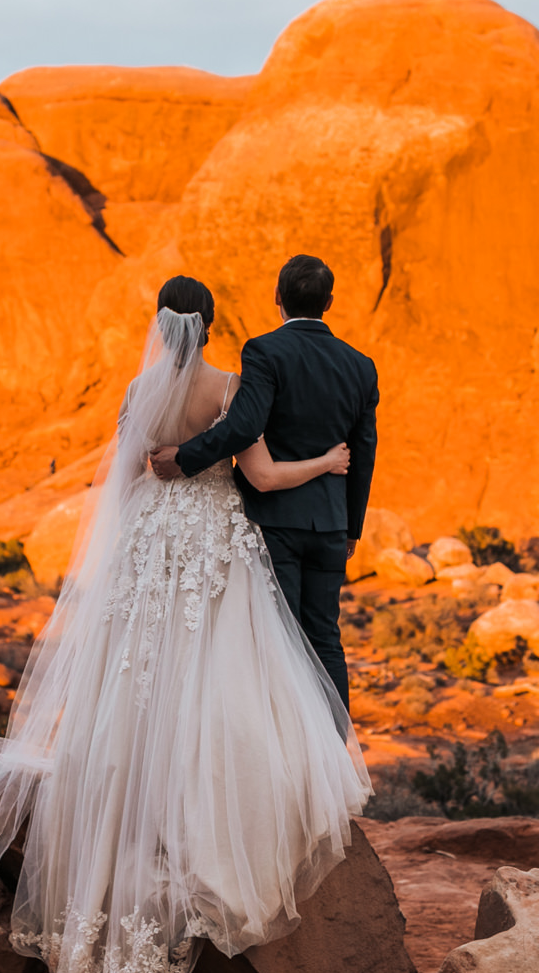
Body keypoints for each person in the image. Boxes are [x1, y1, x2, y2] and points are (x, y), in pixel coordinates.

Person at [0, 275, 370, 973]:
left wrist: (144, 527)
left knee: (129, 685)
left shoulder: (138, 392)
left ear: (160, 326)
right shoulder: (231, 386)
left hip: (148, 547)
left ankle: (90, 920)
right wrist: (326, 466)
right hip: (211, 544)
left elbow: (123, 488)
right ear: (214, 323)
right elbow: (257, 475)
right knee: (217, 677)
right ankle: (192, 843)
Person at [149, 253, 378, 718]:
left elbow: (243, 426)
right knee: (325, 638)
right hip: (331, 523)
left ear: (277, 296)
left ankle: (292, 757)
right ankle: (332, 753)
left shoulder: (264, 352)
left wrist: (185, 458)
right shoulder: (361, 365)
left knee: (284, 641)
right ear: (329, 302)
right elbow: (365, 453)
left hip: (276, 522)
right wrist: (352, 527)